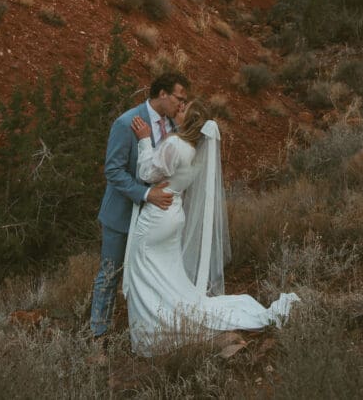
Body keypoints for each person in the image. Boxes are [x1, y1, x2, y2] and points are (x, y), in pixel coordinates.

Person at [123, 99, 299, 356]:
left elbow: (146, 174)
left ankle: (151, 333)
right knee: (168, 273)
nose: (178, 109)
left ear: (190, 120)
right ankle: (166, 320)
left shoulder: (174, 144)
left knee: (143, 271)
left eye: (183, 110)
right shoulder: (195, 151)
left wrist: (144, 140)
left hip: (158, 216)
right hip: (174, 212)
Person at [90, 72, 191, 344]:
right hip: (122, 215)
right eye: (179, 99)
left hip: (152, 221)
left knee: (148, 275)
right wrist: (147, 194)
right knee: (110, 274)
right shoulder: (127, 123)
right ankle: (98, 337)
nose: (182, 105)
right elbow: (113, 170)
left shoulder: (174, 125)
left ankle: (149, 329)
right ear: (162, 94)